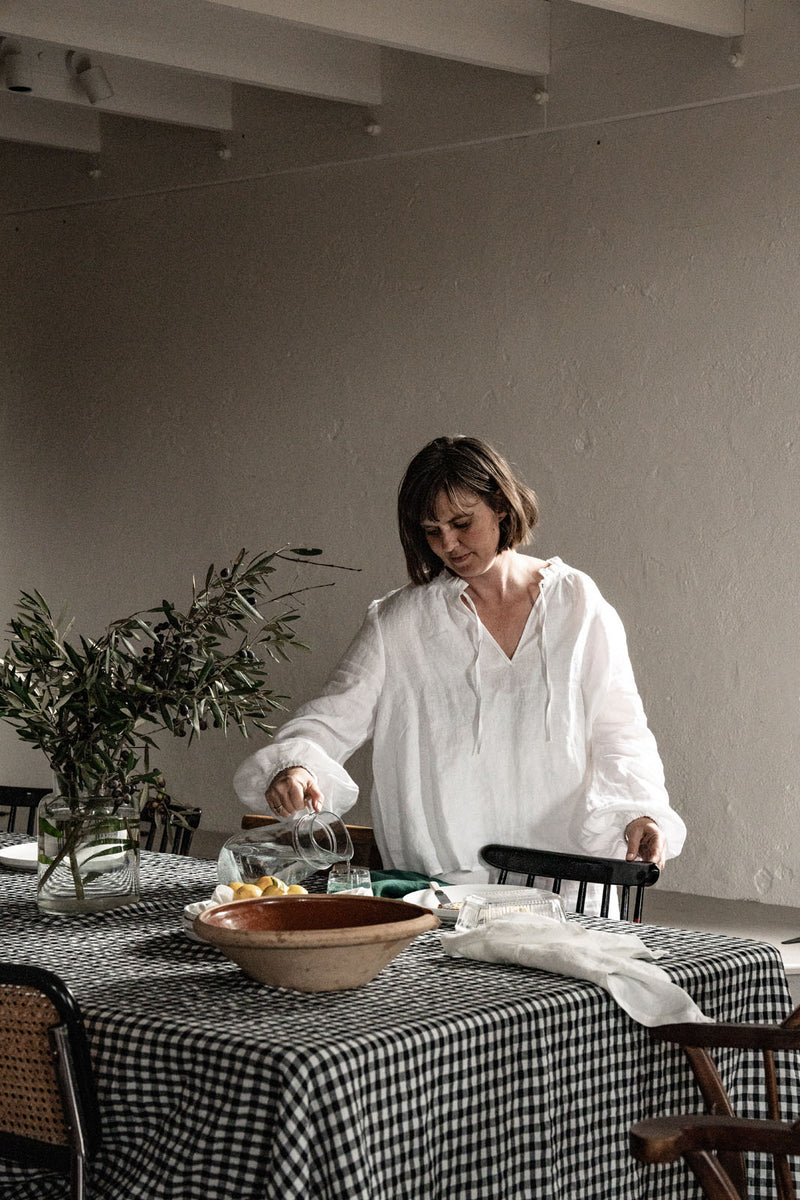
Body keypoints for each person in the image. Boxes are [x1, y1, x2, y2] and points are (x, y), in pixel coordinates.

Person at [233, 436, 685, 909]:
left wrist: (640, 813)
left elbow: (621, 730)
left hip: (569, 894)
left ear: (501, 508)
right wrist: (297, 764)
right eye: (431, 530)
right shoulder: (399, 623)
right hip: (442, 898)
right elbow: (329, 719)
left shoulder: (577, 603)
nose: (448, 544)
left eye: (462, 523)